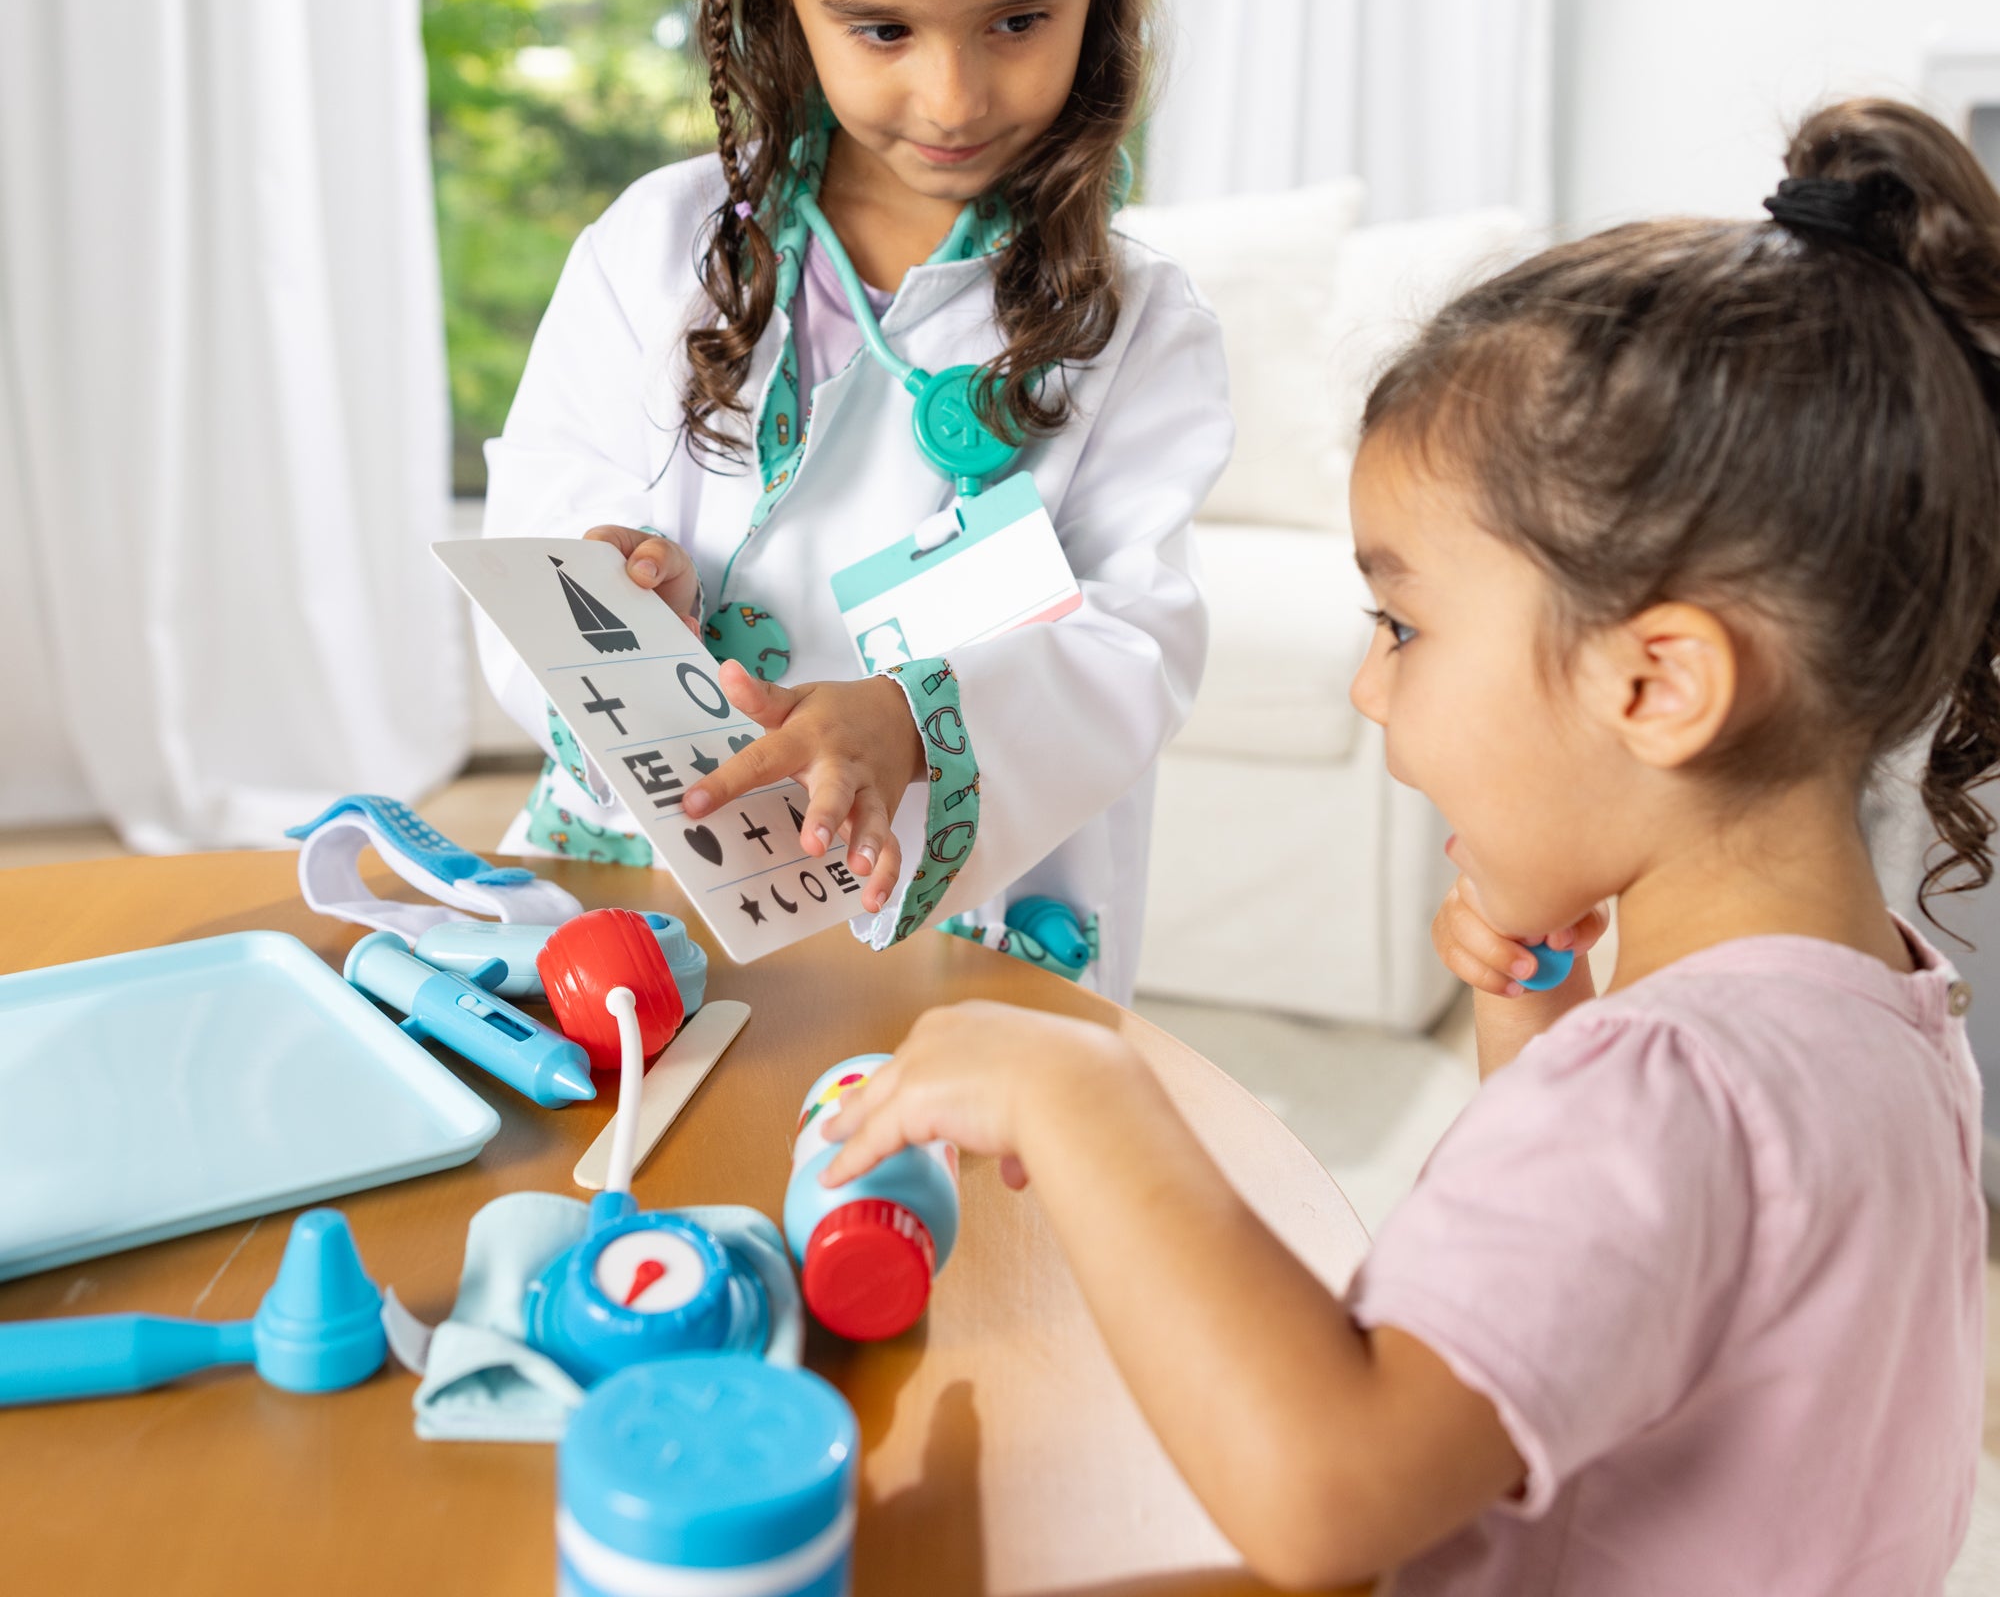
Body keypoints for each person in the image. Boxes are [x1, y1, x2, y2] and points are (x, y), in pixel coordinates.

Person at [821, 98, 1991, 1590]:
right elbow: (1607, 1282)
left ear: (1657, 686)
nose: (1370, 686)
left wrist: (1085, 1095)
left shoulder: (1662, 1098)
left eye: (1403, 625)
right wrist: (1539, 1023)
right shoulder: (1892, 1012)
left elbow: (1332, 1494)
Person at [479, 0, 1230, 998]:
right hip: (655, 879)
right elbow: (538, 532)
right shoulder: (655, 251)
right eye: (882, 30)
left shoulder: (1141, 328)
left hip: (960, 928)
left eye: (1018, 22)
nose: (953, 97)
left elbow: (1138, 644)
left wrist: (912, 726)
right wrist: (616, 577)